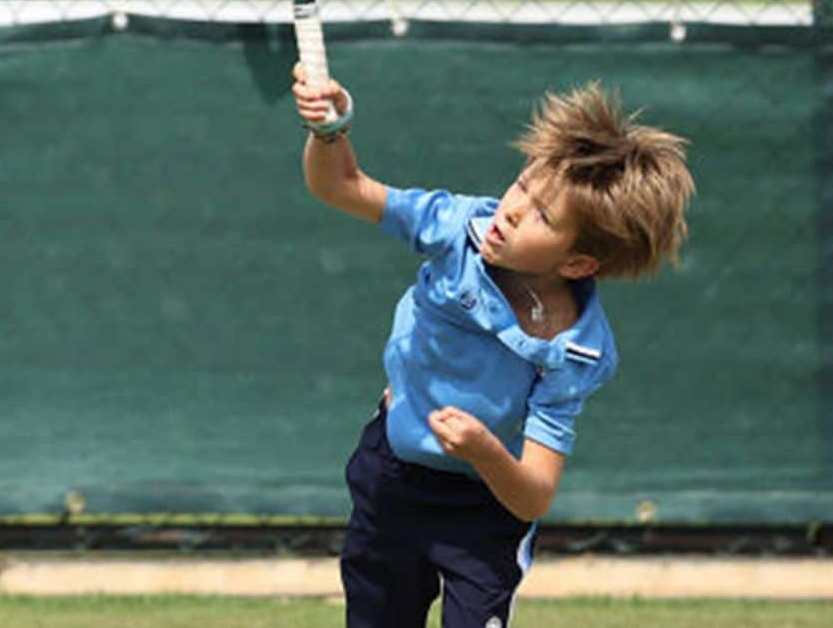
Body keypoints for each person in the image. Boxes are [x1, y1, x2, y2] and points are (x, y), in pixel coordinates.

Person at [291, 69, 692, 628]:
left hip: (485, 512)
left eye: (543, 216)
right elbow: (339, 186)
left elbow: (532, 497)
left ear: (577, 264)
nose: (512, 210)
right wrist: (331, 129)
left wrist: (484, 451)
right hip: (393, 477)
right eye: (523, 186)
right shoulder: (457, 229)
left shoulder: (577, 351)